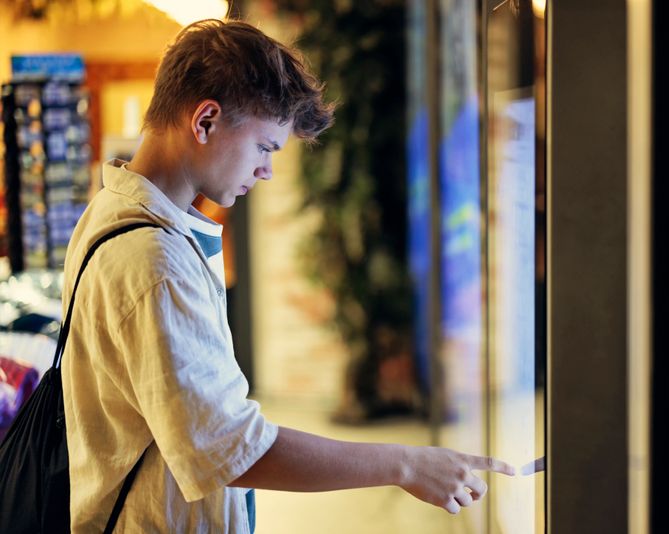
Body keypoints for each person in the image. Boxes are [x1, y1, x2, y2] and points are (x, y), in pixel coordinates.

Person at [61, 19, 514, 533]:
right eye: (264, 148)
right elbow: (232, 451)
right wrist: (406, 464)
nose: (267, 171)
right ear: (205, 121)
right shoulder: (153, 262)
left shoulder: (112, 209)